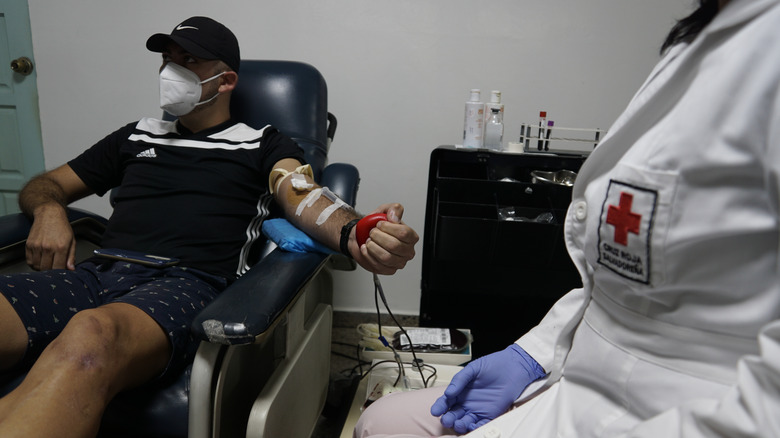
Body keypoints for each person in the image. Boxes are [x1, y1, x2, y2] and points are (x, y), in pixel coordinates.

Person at [354, 0, 780, 436]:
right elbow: (617, 284)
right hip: (589, 380)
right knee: (381, 422)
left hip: (686, 410)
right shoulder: (704, 41)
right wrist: (531, 354)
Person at [0, 16, 418, 438]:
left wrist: (356, 232)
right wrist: (49, 210)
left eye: (189, 60)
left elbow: (302, 194)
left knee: (90, 335)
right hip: (96, 274)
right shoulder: (136, 136)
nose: (170, 71)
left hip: (185, 283)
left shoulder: (262, 142)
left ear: (225, 80)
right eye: (167, 59)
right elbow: (47, 185)